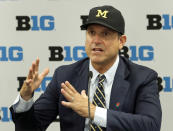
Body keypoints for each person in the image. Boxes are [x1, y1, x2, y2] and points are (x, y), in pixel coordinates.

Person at [10, 5, 162, 131]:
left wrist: (94, 112)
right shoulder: (65, 76)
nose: (96, 40)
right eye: (91, 33)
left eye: (105, 34)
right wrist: (25, 98)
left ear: (121, 41)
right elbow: (31, 128)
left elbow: (150, 125)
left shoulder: (143, 78)